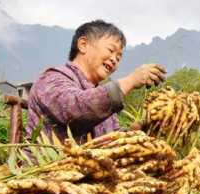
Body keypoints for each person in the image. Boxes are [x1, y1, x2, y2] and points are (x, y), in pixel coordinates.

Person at [26, 20, 167, 143]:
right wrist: (131, 81)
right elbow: (75, 109)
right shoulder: (50, 80)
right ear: (83, 45)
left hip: (90, 172)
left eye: (118, 58)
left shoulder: (103, 101)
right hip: (52, 171)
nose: (114, 60)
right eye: (111, 50)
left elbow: (110, 141)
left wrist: (139, 128)